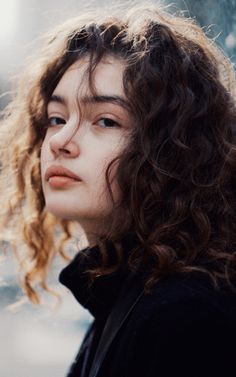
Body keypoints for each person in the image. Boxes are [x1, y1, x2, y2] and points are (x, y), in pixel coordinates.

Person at [1, 3, 236, 377]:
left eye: (106, 121)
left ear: (172, 150)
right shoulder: (127, 292)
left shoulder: (187, 315)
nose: (61, 140)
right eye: (56, 118)